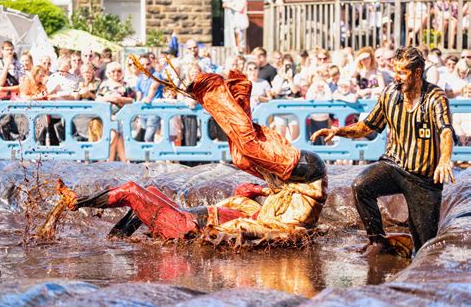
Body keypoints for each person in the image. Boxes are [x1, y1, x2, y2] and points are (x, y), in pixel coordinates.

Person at [57, 69, 329, 247]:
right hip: (305, 175)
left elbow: (244, 200)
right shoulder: (261, 220)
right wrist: (263, 190)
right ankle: (234, 92)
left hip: (301, 172)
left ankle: (79, 206)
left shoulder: (184, 227)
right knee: (244, 152)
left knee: (243, 152)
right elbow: (245, 194)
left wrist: (261, 193)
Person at [311, 46, 455, 257]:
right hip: (393, 166)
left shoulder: (435, 97)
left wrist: (444, 159)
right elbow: (367, 126)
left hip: (424, 179)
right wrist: (338, 131)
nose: (396, 78)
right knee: (361, 185)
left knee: (425, 246)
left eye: (402, 72)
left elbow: (445, 131)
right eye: (395, 71)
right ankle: (377, 241)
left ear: (417, 73)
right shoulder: (390, 93)